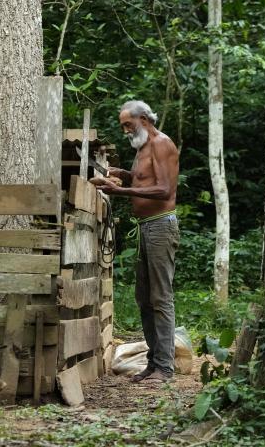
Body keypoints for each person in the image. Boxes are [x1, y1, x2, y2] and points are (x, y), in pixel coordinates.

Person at [90, 100, 180, 384]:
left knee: (160, 297)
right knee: (144, 299)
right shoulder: (142, 148)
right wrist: (125, 175)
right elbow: (144, 182)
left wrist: (119, 191)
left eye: (128, 125)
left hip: (160, 226)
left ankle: (165, 368)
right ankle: (154, 364)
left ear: (144, 118)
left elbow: (164, 189)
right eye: (123, 126)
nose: (125, 131)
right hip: (145, 228)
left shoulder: (162, 144)